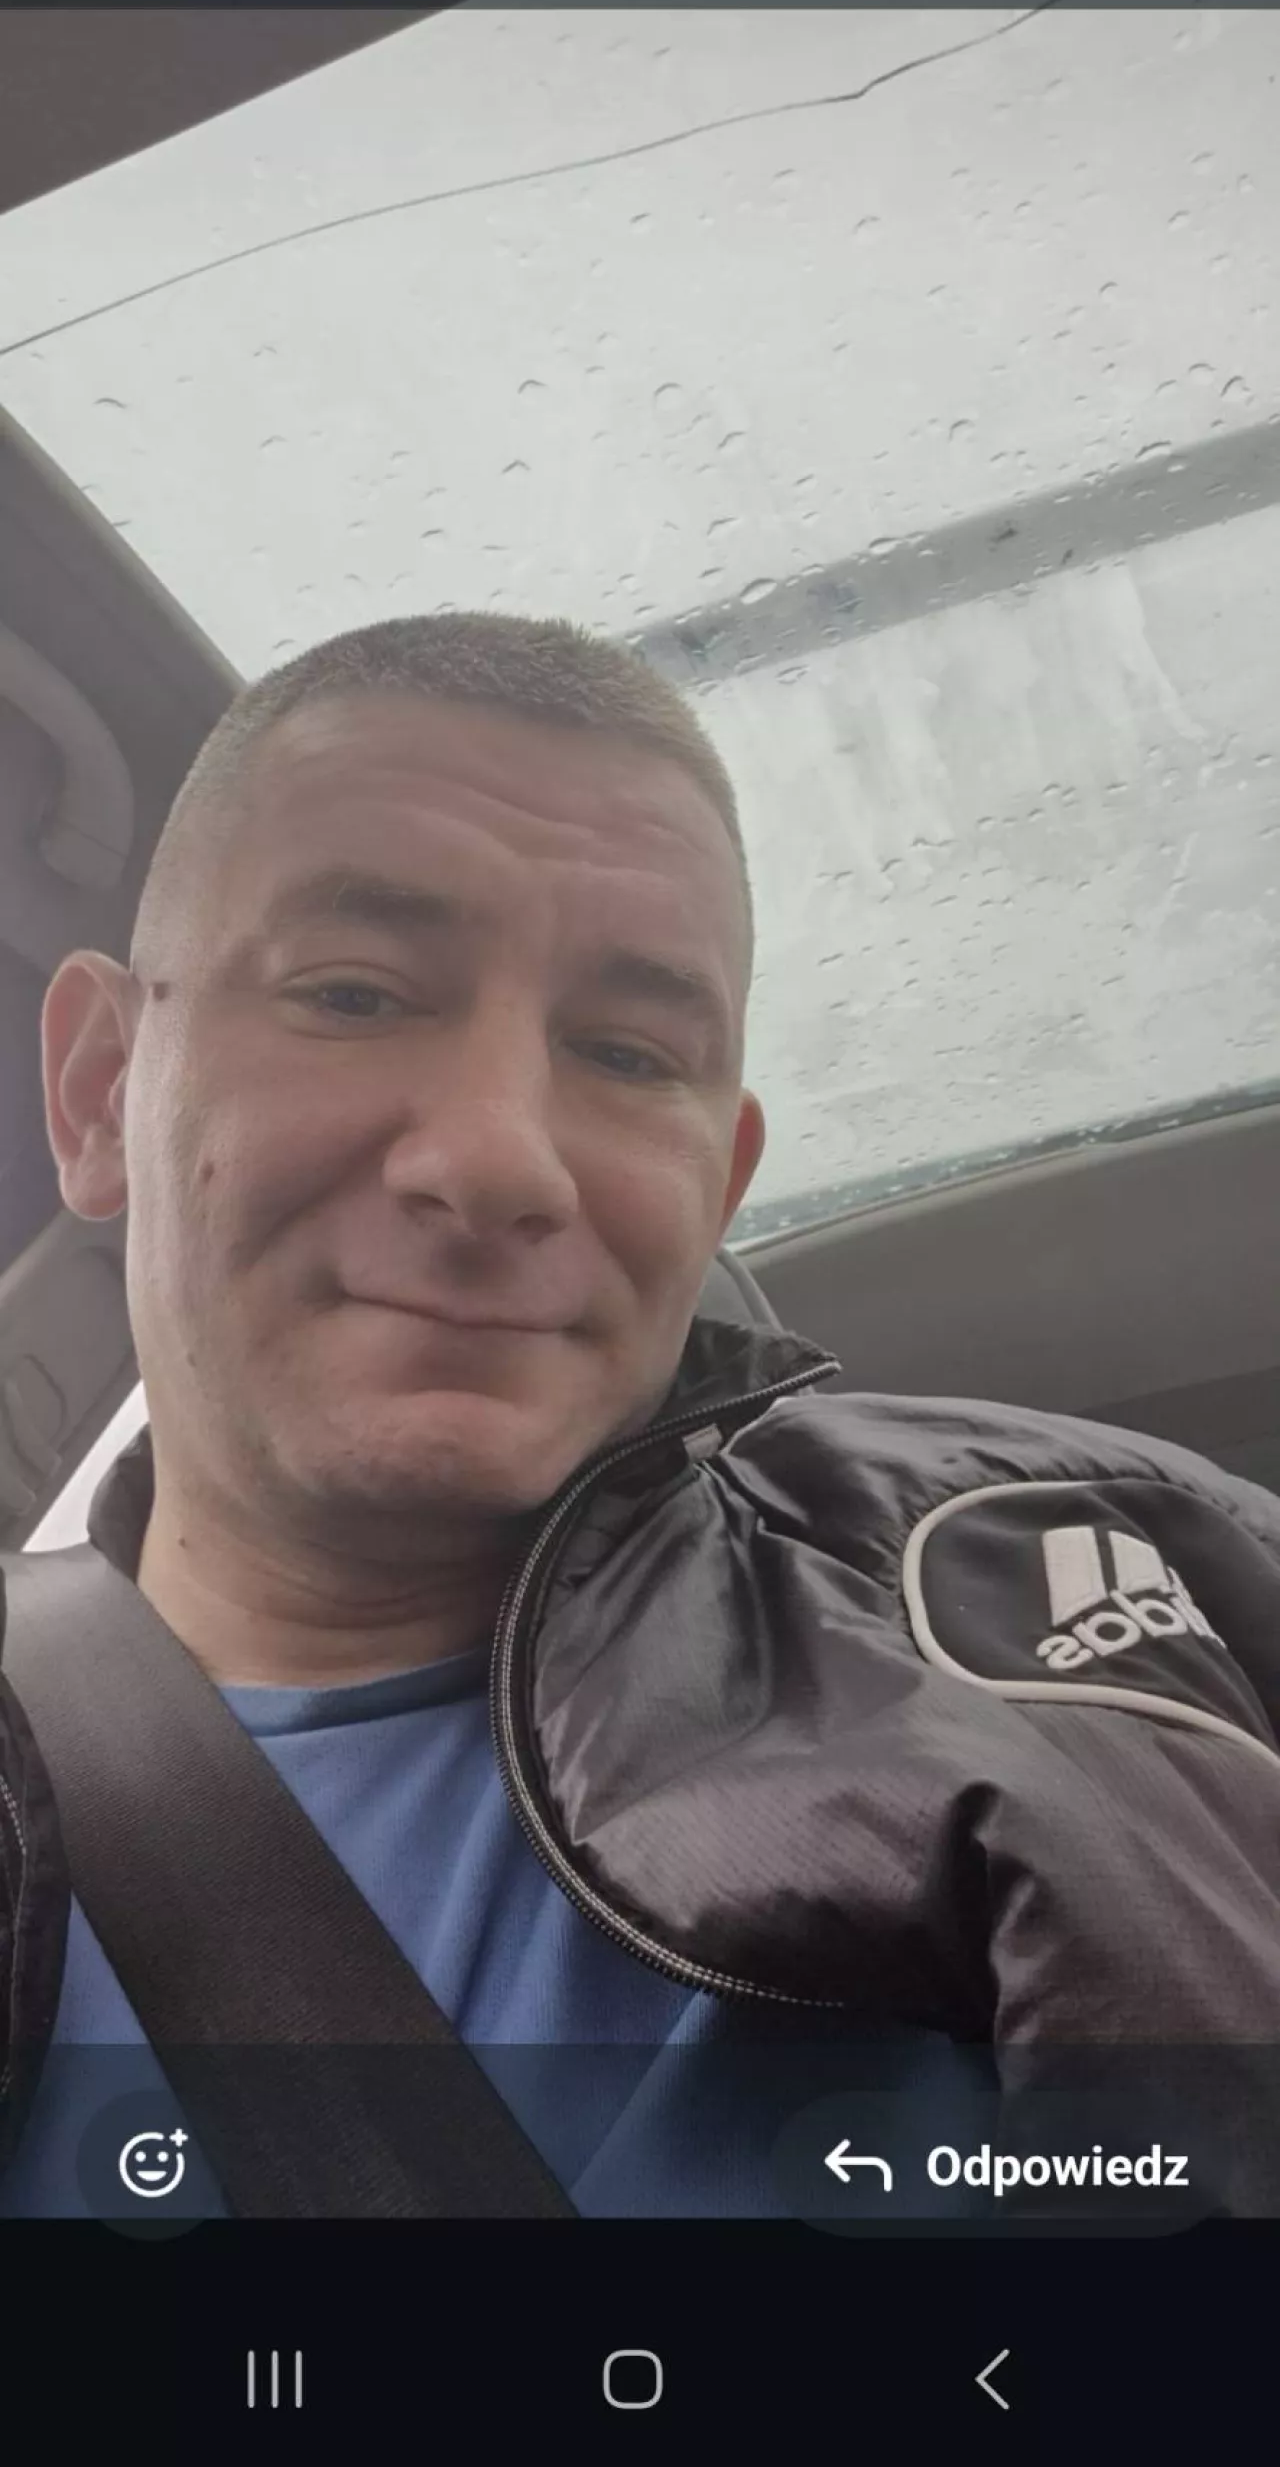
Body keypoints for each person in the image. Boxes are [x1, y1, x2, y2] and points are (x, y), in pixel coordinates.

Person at [2, 609, 1279, 2220]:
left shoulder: (1100, 1561)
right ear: (100, 1089)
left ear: (718, 1184)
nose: (499, 1159)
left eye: (625, 1051)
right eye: (355, 993)